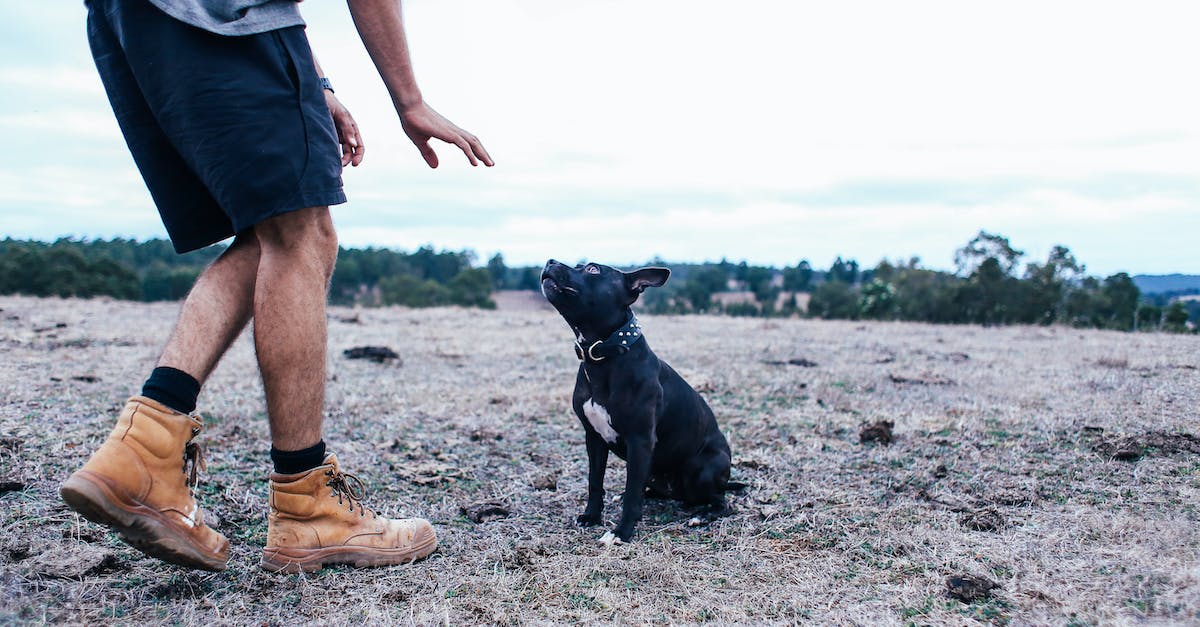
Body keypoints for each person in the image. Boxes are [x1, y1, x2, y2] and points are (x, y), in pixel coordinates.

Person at [60, 0, 493, 573]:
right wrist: (409, 99)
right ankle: (306, 504)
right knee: (303, 233)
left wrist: (315, 81)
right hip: (219, 18)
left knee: (273, 229)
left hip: (133, 22)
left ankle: (145, 448)